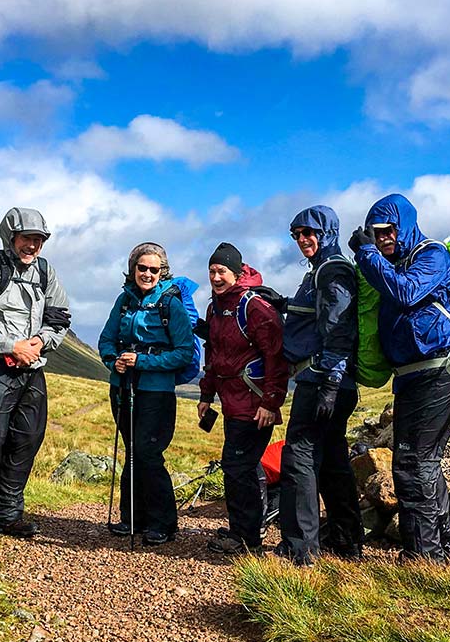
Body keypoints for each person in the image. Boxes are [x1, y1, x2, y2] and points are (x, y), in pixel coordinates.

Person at [349, 194, 450, 562]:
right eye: (376, 234)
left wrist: (367, 254)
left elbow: (406, 293)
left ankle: (424, 558)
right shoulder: (393, 264)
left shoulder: (431, 255)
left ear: (403, 226)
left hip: (441, 371)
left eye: (389, 230)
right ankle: (442, 552)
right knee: (425, 463)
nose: (383, 238)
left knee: (411, 463)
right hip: (415, 375)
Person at [0, 207, 72, 544]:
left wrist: (40, 341)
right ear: (11, 236)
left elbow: (60, 316)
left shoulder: (46, 272)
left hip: (32, 370)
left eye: (39, 240)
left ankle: (7, 514)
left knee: (26, 440)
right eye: (27, 238)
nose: (33, 246)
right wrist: (10, 346)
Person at [278, 206, 364, 565]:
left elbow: (339, 327)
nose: (301, 240)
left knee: (299, 455)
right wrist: (282, 304)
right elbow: (318, 316)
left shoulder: (332, 271)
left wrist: (330, 380)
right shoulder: (321, 271)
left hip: (321, 380)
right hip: (332, 381)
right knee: (330, 458)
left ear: (327, 232)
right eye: (296, 234)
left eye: (308, 233)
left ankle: (301, 549)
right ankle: (346, 542)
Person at [97, 242, 195, 546]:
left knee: (148, 453)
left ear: (162, 272)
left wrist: (143, 361)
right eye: (143, 268)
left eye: (155, 269)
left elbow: (184, 353)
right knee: (133, 451)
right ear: (133, 269)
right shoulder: (123, 301)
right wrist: (115, 362)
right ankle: (133, 519)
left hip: (157, 392)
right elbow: (106, 340)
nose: (148, 274)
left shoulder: (171, 305)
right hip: (123, 387)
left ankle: (162, 522)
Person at [197, 242, 288, 555]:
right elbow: (213, 355)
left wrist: (270, 403)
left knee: (238, 466)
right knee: (240, 466)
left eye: (222, 271)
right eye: (212, 271)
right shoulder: (215, 308)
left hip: (255, 403)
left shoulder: (255, 308)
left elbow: (276, 358)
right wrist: (206, 394)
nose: (216, 276)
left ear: (236, 273)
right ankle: (244, 530)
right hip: (231, 401)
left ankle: (246, 538)